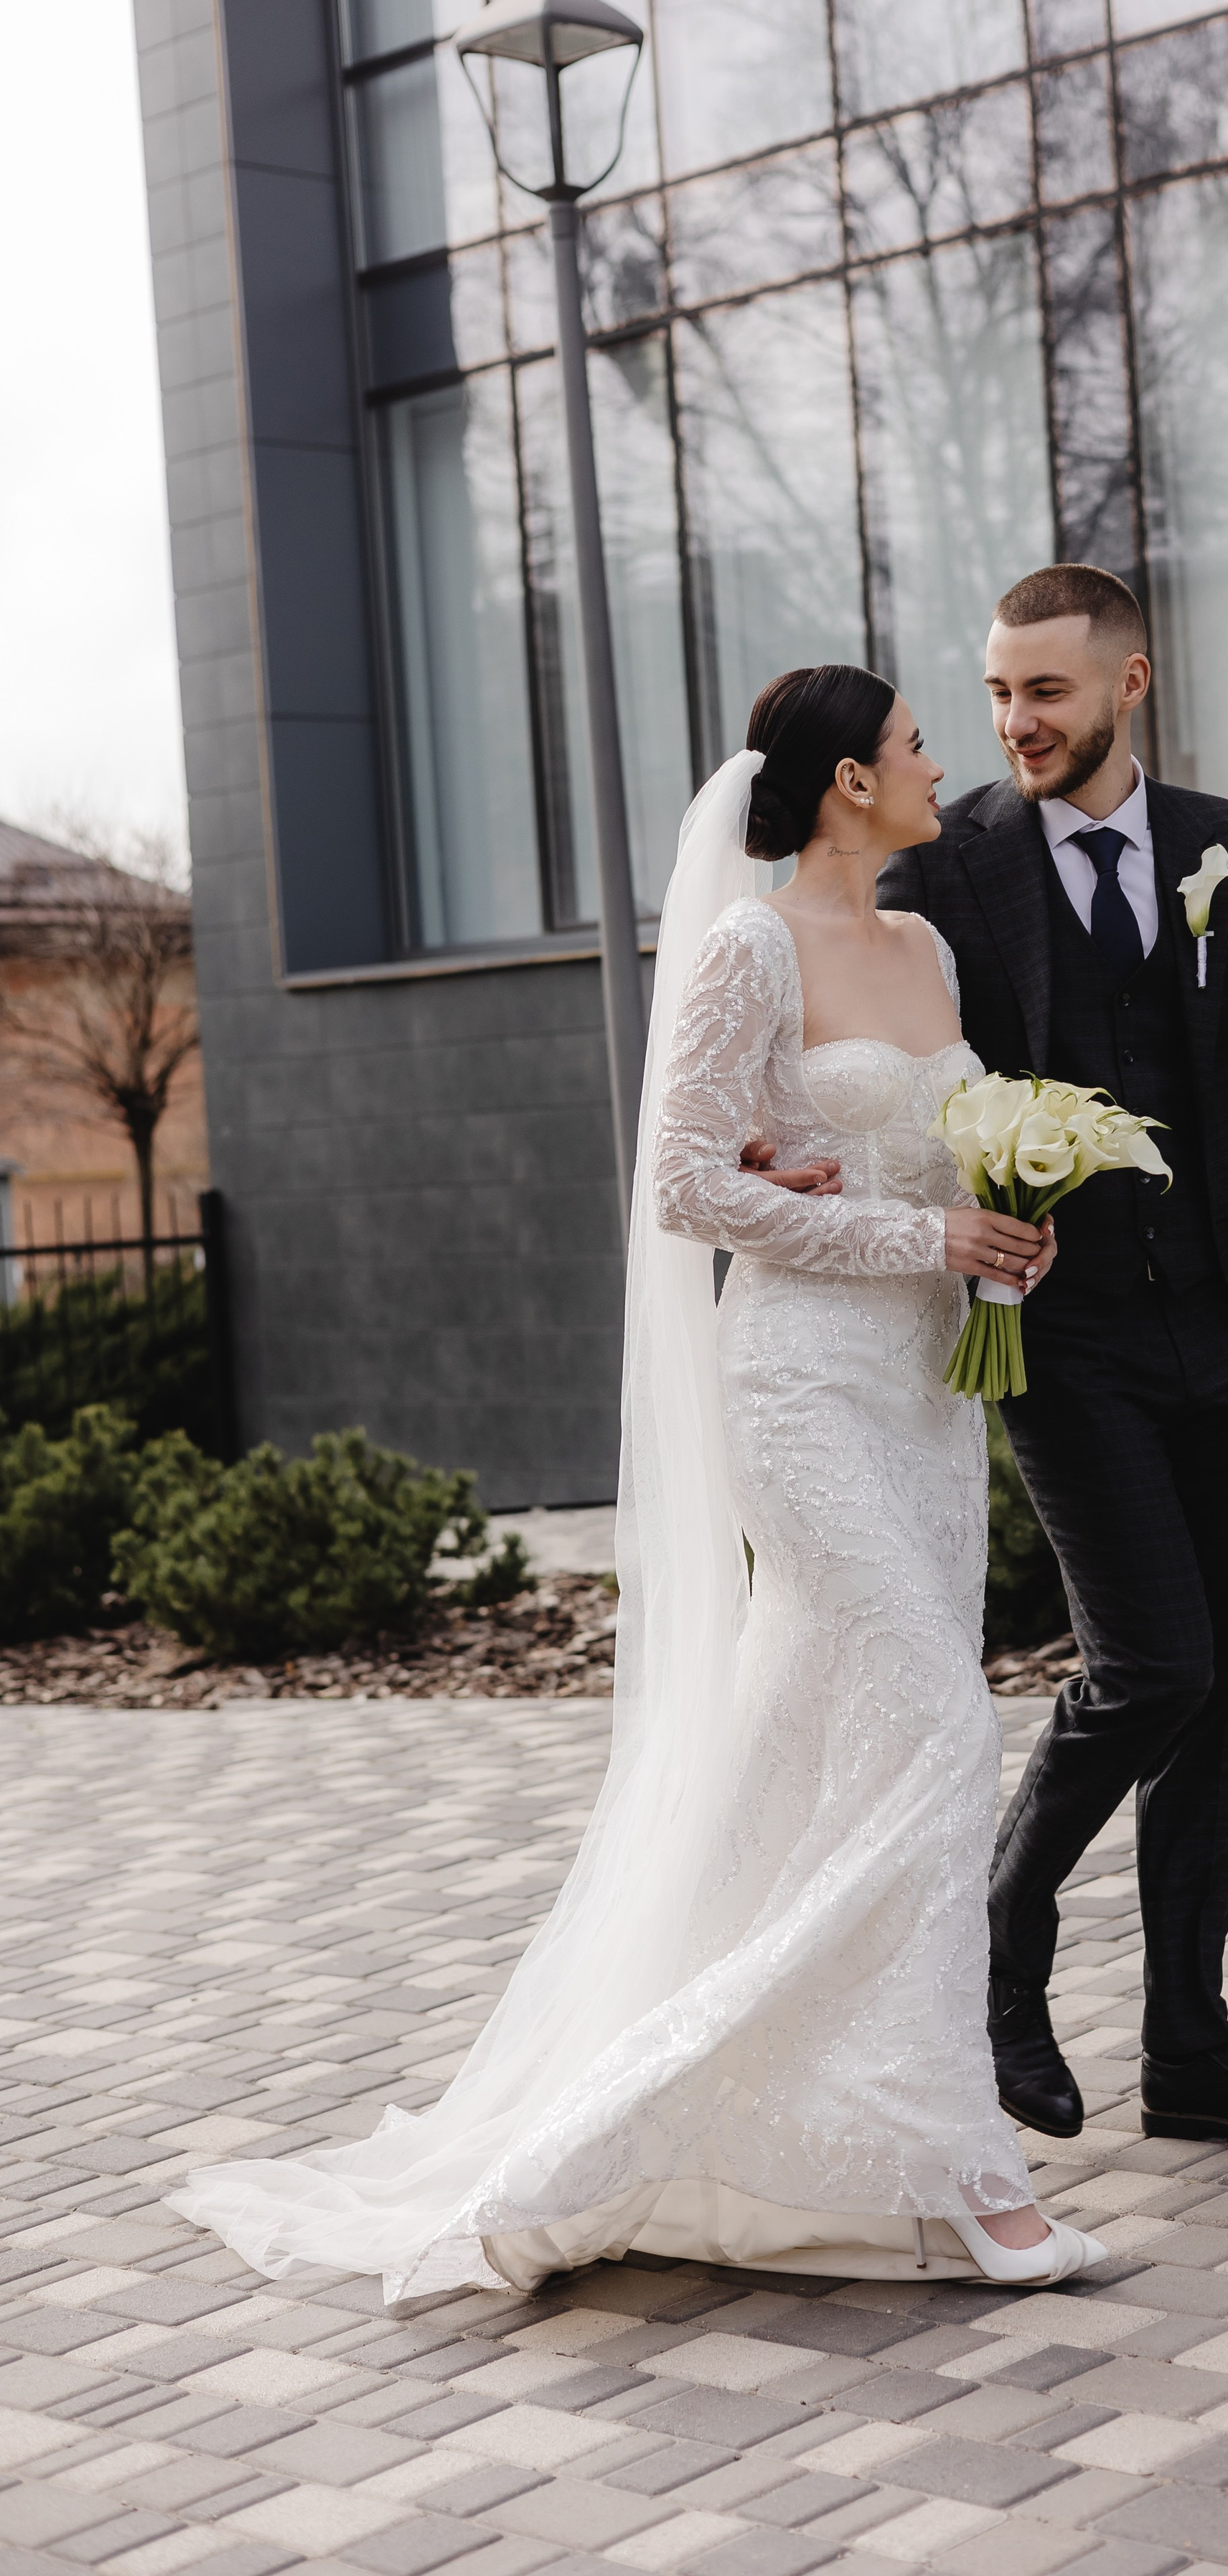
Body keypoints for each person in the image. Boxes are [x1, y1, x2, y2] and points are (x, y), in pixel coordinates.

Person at [167, 665, 1106, 2300]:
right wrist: (911, 1228)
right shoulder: (747, 946)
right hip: (802, 1386)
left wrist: (1007, 1225)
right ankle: (961, 2164)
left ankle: (738, 2119)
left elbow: (917, 1156)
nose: (935, 760)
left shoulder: (927, 948)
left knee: (811, 1752)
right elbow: (684, 1185)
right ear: (844, 780)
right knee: (945, 1729)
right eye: (910, 742)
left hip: (925, 1398)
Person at [877, 565, 1228, 2151]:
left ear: (1127, 685)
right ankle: (1002, 1942)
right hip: (1066, 1337)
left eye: (1046, 692)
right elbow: (887, 1076)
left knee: (1215, 1695)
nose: (1015, 723)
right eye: (997, 694)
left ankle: (1190, 2048)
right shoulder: (943, 869)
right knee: (1151, 1665)